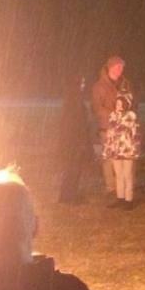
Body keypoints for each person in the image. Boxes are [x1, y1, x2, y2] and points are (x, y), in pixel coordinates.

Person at [102, 76, 141, 209]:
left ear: (126, 104)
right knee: (118, 174)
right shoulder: (113, 115)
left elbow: (135, 134)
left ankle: (129, 199)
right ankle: (120, 197)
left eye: (120, 104)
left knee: (127, 175)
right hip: (116, 150)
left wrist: (135, 149)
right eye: (117, 104)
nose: (118, 106)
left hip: (127, 150)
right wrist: (108, 148)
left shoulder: (131, 116)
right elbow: (110, 133)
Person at [91, 56, 125, 199]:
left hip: (122, 127)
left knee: (121, 157)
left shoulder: (124, 84)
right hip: (107, 127)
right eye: (118, 67)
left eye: (122, 68)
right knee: (108, 159)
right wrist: (113, 114)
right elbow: (97, 108)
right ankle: (111, 187)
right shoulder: (99, 87)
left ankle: (121, 186)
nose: (120, 70)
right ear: (110, 67)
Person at [56, 74, 93, 204]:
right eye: (81, 83)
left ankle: (70, 193)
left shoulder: (74, 99)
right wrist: (80, 140)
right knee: (72, 169)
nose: (83, 85)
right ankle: (67, 195)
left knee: (74, 169)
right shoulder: (73, 101)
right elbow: (75, 123)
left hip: (73, 141)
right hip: (73, 142)